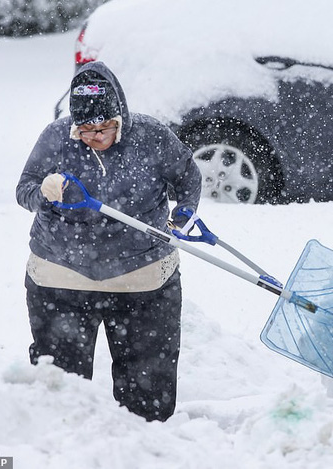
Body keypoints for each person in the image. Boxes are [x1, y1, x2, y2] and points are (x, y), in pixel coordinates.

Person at [16, 61, 202, 421]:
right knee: (60, 395)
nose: (96, 137)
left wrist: (184, 213)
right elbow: (24, 190)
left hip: (144, 279)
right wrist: (43, 192)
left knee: (148, 400)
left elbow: (188, 179)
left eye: (105, 127)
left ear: (121, 117)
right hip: (61, 279)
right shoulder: (55, 137)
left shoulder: (152, 136)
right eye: (85, 130)